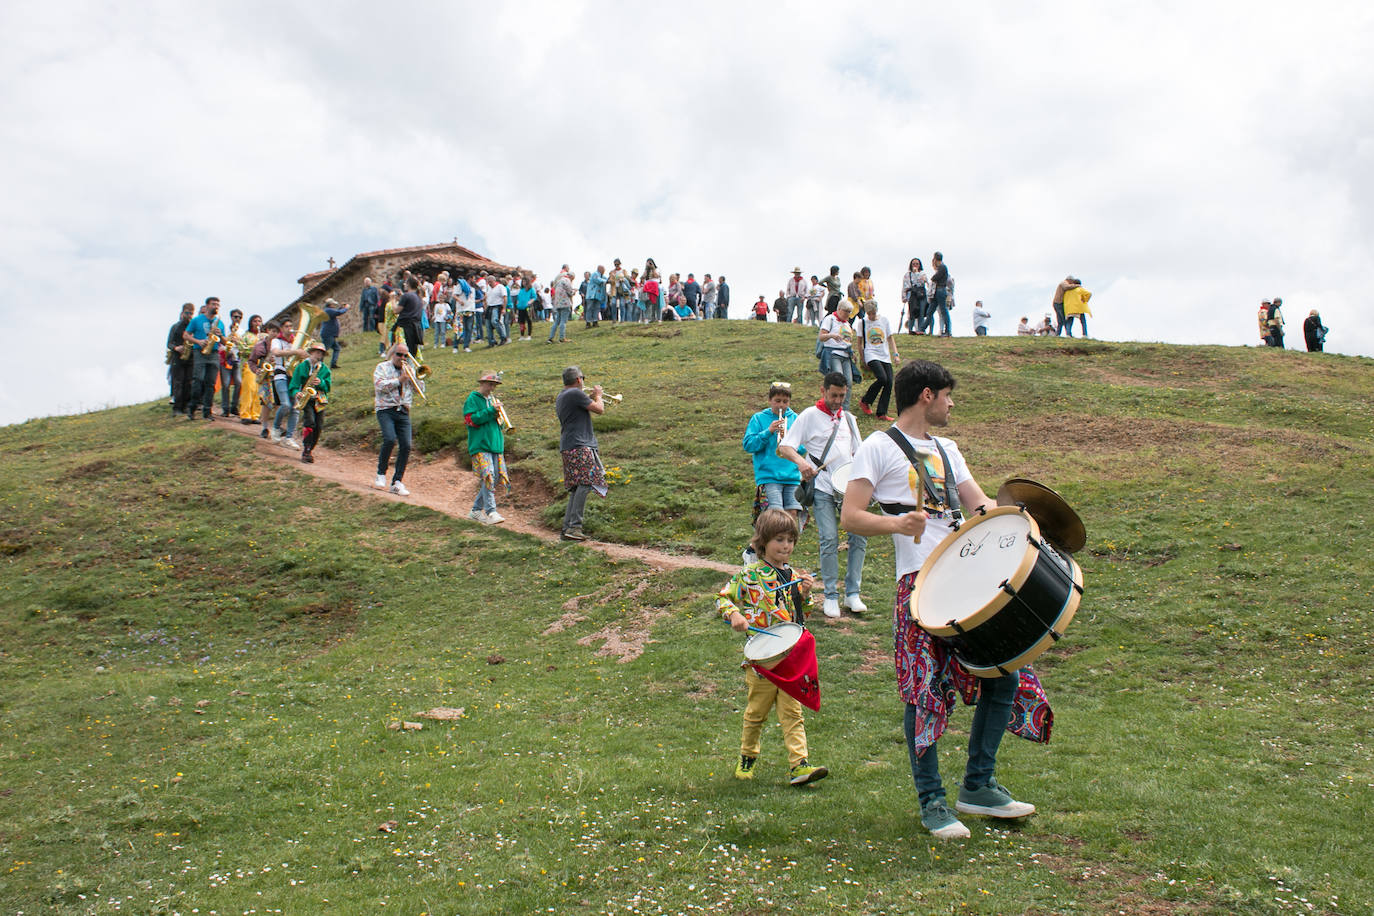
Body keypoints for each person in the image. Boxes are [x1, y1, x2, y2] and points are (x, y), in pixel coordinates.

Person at [840, 359, 1051, 840]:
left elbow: (981, 508)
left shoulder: (949, 449)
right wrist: (896, 523)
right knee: (923, 692)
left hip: (971, 584)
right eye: (949, 395)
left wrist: (1031, 522)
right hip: (919, 587)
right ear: (927, 395)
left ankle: (977, 787)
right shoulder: (876, 448)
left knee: (1005, 675)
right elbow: (851, 514)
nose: (953, 404)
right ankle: (932, 801)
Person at [716, 509, 828, 786]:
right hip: (761, 659)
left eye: (791, 540)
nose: (786, 546)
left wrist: (805, 593)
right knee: (756, 713)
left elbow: (803, 612)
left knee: (793, 712)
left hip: (789, 656)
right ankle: (747, 756)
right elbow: (723, 599)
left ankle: (799, 765)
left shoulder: (791, 574)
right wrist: (735, 616)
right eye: (780, 540)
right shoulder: (749, 574)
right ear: (763, 541)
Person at [778, 373, 867, 619]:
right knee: (828, 538)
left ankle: (853, 593)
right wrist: (800, 463)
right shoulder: (809, 416)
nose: (838, 400)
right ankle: (830, 595)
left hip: (848, 487)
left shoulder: (848, 419)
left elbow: (860, 452)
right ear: (823, 390)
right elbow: (785, 446)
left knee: (858, 537)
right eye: (834, 395)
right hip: (823, 486)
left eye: (842, 395)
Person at [742, 382, 804, 551]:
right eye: (777, 401)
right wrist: (768, 432)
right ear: (770, 400)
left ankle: (782, 555)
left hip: (792, 476)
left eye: (785, 401)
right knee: (775, 517)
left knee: (791, 516)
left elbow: (804, 446)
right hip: (769, 476)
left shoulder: (796, 419)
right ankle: (757, 549)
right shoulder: (759, 418)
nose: (781, 405)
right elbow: (748, 445)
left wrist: (791, 443)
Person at [556, 366, 606, 540]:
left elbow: (583, 407)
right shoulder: (575, 394)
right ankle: (574, 527)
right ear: (578, 380)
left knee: (577, 486)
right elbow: (600, 409)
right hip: (579, 445)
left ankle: (567, 528)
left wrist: (590, 398)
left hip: (569, 445)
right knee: (586, 482)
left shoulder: (563, 395)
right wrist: (598, 395)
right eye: (583, 378)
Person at [373, 342, 419, 496]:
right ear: (392, 354)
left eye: (406, 355)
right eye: (399, 354)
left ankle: (397, 482)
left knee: (406, 445)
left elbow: (420, 390)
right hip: (385, 409)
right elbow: (379, 386)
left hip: (403, 410)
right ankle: (381, 474)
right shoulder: (382, 367)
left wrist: (416, 378)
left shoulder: (409, 370)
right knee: (390, 439)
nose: (402, 358)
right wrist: (399, 380)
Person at [464, 371, 509, 524]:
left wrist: (500, 417)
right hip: (481, 444)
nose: (492, 388)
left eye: (494, 385)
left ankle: (476, 510)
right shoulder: (472, 399)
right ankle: (491, 512)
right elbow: (471, 420)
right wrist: (491, 411)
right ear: (481, 383)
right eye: (490, 384)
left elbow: (501, 424)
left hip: (495, 444)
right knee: (488, 476)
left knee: (493, 478)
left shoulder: (493, 400)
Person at [266, 319, 308, 448]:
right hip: (280, 375)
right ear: (281, 329)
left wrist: (304, 354)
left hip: (294, 377)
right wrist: (295, 352)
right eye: (286, 326)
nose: (289, 328)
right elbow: (276, 352)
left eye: (291, 326)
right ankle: (275, 428)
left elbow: (305, 356)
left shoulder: (296, 342)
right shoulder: (276, 341)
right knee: (285, 404)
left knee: (296, 408)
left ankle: (289, 438)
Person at [856, 299, 900, 421]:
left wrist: (895, 354)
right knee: (882, 378)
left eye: (873, 313)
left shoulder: (884, 320)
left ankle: (881, 413)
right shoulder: (862, 323)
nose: (871, 316)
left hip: (884, 355)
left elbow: (891, 339)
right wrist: (863, 358)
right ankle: (865, 401)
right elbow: (859, 343)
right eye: (869, 313)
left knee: (889, 382)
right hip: (871, 354)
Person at [288, 342, 332, 463]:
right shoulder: (301, 367)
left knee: (319, 425)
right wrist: (297, 393)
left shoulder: (325, 369)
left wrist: (321, 382)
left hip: (320, 399)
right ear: (311, 352)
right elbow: (294, 385)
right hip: (306, 398)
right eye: (317, 352)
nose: (319, 355)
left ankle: (310, 449)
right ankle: (306, 449)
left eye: (321, 353)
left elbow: (328, 387)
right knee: (310, 421)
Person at [184, 296, 226, 420]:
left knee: (210, 384)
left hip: (214, 354)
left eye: (218, 305)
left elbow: (224, 341)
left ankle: (207, 412)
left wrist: (220, 335)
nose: (216, 307)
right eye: (213, 304)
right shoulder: (197, 320)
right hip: (200, 352)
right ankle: (192, 408)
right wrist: (198, 341)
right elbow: (186, 335)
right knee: (198, 381)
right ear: (207, 306)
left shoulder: (220, 323)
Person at [817, 300, 857, 407]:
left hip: (846, 356)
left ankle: (845, 409)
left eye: (849, 312)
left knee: (848, 382)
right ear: (839, 309)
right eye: (846, 311)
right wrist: (831, 335)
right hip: (833, 354)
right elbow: (821, 336)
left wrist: (852, 354)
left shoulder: (847, 324)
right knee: (838, 380)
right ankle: (832, 404)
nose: (848, 314)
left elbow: (847, 341)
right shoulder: (830, 319)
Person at [166, 302, 195, 418]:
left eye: (191, 313)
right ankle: (177, 408)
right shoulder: (175, 327)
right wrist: (177, 348)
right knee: (178, 382)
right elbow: (169, 343)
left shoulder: (193, 327)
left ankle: (186, 406)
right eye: (187, 313)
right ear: (182, 313)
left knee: (189, 382)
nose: (189, 316)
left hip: (191, 357)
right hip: (178, 358)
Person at [236, 314, 264, 423]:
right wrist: (257, 346)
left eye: (259, 321)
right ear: (250, 323)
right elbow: (242, 350)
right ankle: (245, 414)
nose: (257, 323)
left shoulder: (264, 336)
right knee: (248, 388)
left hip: (261, 365)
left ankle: (255, 415)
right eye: (255, 321)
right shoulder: (246, 336)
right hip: (249, 363)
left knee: (259, 390)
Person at [219, 308, 244, 417]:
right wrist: (227, 348)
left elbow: (244, 346)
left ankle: (234, 406)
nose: (237, 319)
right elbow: (221, 343)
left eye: (239, 317)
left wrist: (238, 342)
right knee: (226, 384)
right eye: (235, 317)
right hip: (226, 358)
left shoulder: (242, 332)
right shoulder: (225, 329)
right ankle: (225, 409)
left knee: (238, 383)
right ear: (231, 317)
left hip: (237, 358)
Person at [395, 277, 426, 356]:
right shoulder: (419, 297)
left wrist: (392, 300)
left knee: (403, 350)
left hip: (406, 326)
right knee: (412, 350)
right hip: (416, 326)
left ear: (408, 284)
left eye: (405, 282)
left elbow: (396, 311)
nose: (404, 284)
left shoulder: (406, 296)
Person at [320, 298, 351, 368]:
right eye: (333, 304)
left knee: (337, 348)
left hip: (330, 334)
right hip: (329, 334)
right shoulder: (328, 310)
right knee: (323, 350)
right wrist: (346, 308)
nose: (334, 305)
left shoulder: (328, 310)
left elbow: (336, 312)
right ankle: (318, 364)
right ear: (330, 304)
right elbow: (338, 313)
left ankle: (333, 364)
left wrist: (341, 307)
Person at [903, 258, 929, 335]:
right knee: (912, 312)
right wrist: (904, 297)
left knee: (921, 312)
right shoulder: (907, 274)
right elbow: (905, 286)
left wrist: (917, 273)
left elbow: (924, 281)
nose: (915, 265)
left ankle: (920, 330)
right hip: (912, 295)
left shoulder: (922, 273)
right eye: (913, 264)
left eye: (917, 264)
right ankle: (910, 330)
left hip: (921, 294)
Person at [548, 269, 575, 343]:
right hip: (565, 303)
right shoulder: (567, 281)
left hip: (557, 303)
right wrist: (574, 292)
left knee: (556, 321)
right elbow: (570, 292)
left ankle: (550, 338)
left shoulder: (559, 281)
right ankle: (562, 338)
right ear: (571, 277)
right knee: (563, 321)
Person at [930, 253, 952, 337]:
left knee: (943, 311)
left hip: (941, 290)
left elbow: (934, 278)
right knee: (935, 311)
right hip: (939, 291)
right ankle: (945, 330)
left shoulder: (942, 268)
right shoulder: (941, 268)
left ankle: (947, 331)